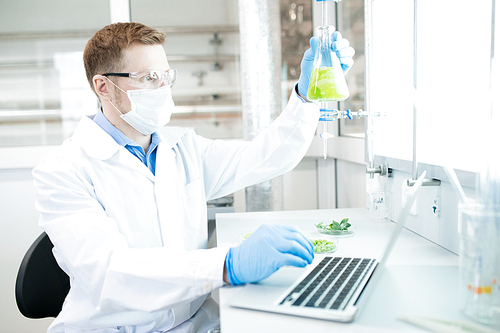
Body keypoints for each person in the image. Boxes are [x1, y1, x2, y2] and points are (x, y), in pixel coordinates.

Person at [32, 22, 354, 333]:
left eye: (166, 76)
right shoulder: (63, 171)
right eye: (149, 77)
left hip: (194, 325)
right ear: (103, 86)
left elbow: (264, 157)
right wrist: (226, 264)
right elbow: (111, 275)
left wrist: (306, 95)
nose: (163, 88)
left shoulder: (183, 148)